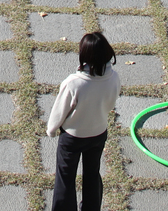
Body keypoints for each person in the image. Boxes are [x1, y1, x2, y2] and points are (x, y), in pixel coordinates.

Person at [46, 32, 120, 211]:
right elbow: (111, 102)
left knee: (65, 178)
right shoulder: (114, 77)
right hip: (98, 133)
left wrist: (52, 129)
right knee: (92, 175)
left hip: (72, 137)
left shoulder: (74, 83)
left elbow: (59, 111)